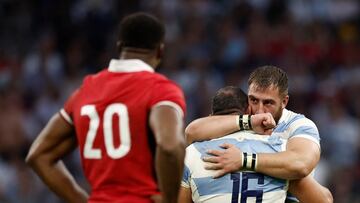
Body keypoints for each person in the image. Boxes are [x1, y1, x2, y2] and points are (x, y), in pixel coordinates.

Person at [26, 12, 186, 203]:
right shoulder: (161, 89)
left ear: (119, 47)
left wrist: (81, 200)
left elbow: (38, 155)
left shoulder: (85, 90)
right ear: (160, 51)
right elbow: (170, 145)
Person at [185, 66, 321, 202]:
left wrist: (244, 160)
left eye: (268, 103)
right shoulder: (247, 118)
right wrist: (249, 121)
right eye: (254, 100)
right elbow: (192, 132)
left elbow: (301, 164)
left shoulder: (299, 125)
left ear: (284, 102)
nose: (260, 111)